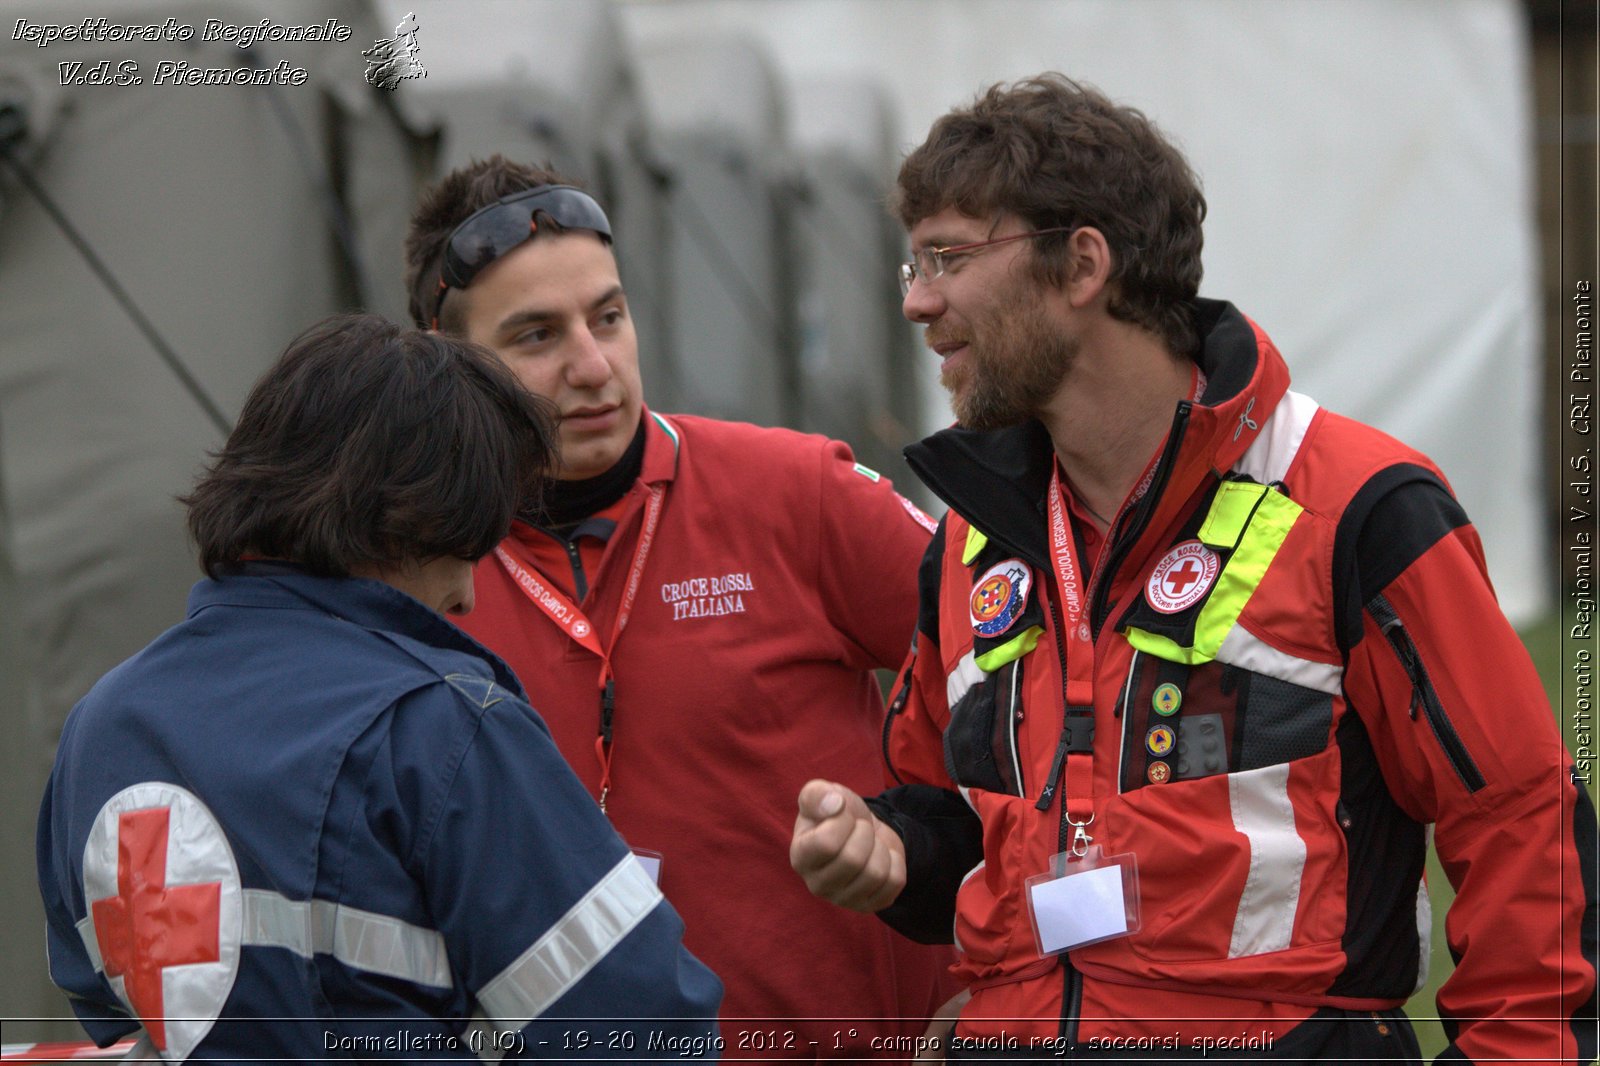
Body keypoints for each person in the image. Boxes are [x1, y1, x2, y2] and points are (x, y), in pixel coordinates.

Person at [790, 74, 1599, 1063]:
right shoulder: (968, 542)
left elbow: (1522, 822)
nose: (916, 300)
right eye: (914, 263)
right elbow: (956, 821)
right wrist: (889, 854)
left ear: (1081, 264)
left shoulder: (1357, 505)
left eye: (948, 257)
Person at [35, 314, 722, 1060]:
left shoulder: (100, 727)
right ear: (409, 522)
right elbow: (646, 1030)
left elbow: (111, 1014)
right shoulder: (443, 729)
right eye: (469, 546)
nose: (466, 597)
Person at [402, 158, 955, 1058]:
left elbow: (1042, 692)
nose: (593, 367)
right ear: (450, 360)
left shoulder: (798, 491)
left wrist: (1001, 978)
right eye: (537, 337)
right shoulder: (418, 576)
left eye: (609, 318)